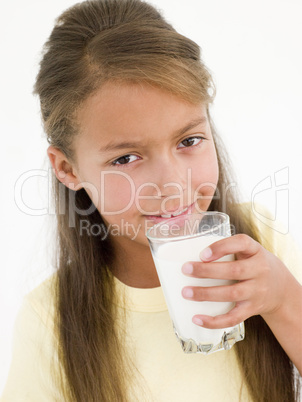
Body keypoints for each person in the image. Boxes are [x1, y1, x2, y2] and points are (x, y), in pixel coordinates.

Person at [1, 0, 302, 401]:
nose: (173, 184)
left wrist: (283, 299)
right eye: (126, 158)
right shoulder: (49, 321)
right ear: (68, 169)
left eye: (189, 141)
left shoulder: (261, 242)